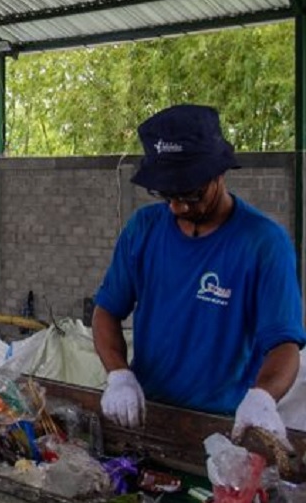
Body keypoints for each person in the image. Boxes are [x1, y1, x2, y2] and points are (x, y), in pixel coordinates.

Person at [92, 104, 306, 446]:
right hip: (149, 414)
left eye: (192, 194)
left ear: (219, 173)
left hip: (226, 426)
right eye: (168, 196)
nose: (179, 207)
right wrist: (119, 374)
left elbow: (284, 343)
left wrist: (262, 397)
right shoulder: (143, 229)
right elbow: (107, 310)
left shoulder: (263, 243)